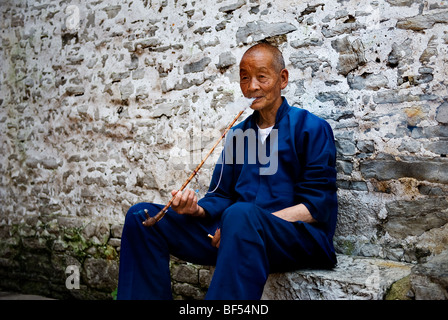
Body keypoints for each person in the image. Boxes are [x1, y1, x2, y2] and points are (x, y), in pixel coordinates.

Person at [117, 42, 338, 300]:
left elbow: (316, 207)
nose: (252, 86)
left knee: (240, 215)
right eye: (245, 78)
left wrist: (243, 226)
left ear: (283, 78)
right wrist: (195, 209)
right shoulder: (238, 135)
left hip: (296, 240)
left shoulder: (310, 128)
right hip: (235, 238)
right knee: (140, 217)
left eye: (261, 77)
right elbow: (221, 195)